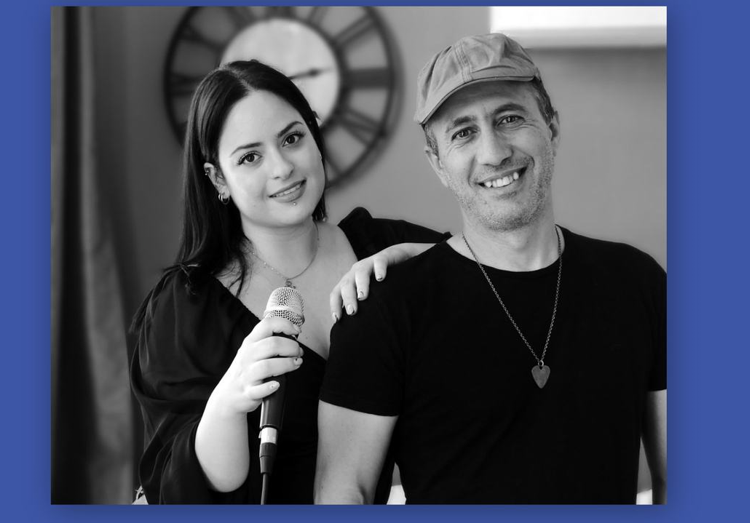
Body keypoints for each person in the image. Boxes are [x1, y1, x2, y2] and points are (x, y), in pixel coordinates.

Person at [315, 33, 666, 504]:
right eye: (463, 132)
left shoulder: (638, 283)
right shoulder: (384, 308)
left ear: (552, 128)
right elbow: (343, 491)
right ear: (438, 164)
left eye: (510, 118)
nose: (495, 152)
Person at [129, 60, 448, 504]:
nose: (281, 168)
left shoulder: (384, 248)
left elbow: (496, 273)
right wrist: (228, 402)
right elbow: (176, 489)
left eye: (292, 139)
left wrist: (415, 256)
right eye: (250, 157)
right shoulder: (185, 308)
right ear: (218, 178)